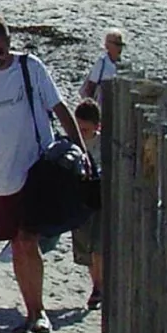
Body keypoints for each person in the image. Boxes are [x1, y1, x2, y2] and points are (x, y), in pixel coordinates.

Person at [0, 15, 83, 333]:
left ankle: (39, 313)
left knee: (27, 239)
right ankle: (30, 310)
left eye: (0, 51)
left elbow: (60, 107)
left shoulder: (30, 67)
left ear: (9, 44)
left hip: (37, 168)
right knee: (18, 245)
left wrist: (79, 148)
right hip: (1, 175)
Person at [71, 99, 104, 310]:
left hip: (100, 197)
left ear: (96, 126)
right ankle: (97, 285)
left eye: (85, 129)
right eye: (78, 128)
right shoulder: (72, 143)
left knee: (99, 245)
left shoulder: (105, 143)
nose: (81, 133)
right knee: (85, 246)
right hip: (80, 199)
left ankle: (98, 288)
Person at [80, 29, 124, 102]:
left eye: (121, 45)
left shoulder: (123, 66)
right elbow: (90, 87)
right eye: (117, 44)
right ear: (107, 46)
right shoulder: (101, 63)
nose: (120, 48)